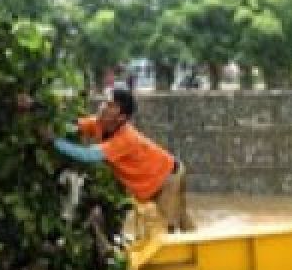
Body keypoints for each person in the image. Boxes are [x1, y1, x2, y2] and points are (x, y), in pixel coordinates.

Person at [26, 87, 192, 233]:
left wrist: (54, 141)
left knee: (165, 228)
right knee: (182, 221)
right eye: (104, 102)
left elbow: (88, 156)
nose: (103, 107)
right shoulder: (99, 124)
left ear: (122, 117)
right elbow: (70, 123)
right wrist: (35, 106)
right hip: (158, 178)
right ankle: (206, 254)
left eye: (110, 105)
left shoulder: (126, 138)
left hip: (167, 179)